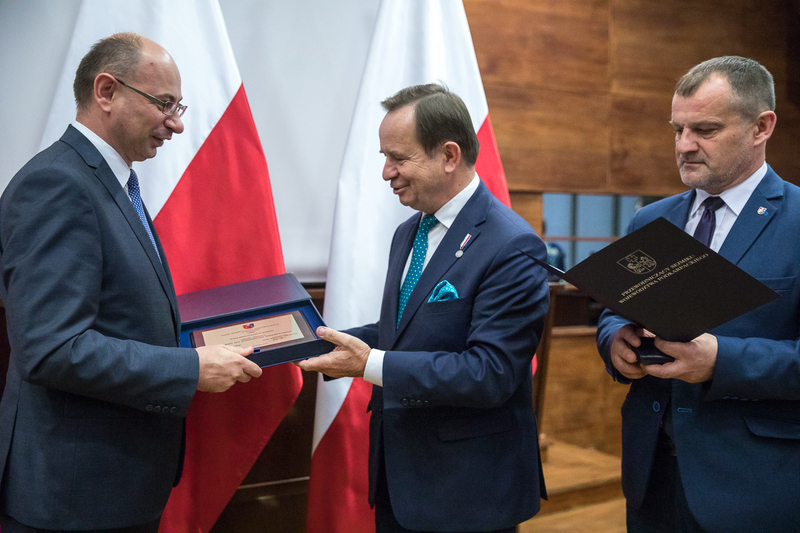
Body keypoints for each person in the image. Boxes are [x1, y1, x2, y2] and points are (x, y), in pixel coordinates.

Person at [0, 33, 262, 532]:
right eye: (164, 104)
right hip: (73, 497)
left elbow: (120, 314)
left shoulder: (111, 181)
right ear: (106, 91)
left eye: (178, 106)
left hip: (112, 485)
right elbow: (51, 348)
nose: (177, 123)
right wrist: (188, 369)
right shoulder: (57, 184)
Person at [298, 84, 549, 533]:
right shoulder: (409, 231)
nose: (386, 172)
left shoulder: (512, 245)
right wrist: (320, 339)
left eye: (399, 157)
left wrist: (369, 364)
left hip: (467, 490)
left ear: (449, 155)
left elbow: (489, 373)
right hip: (400, 476)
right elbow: (405, 330)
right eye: (384, 157)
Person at [596, 56, 800, 532]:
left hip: (754, 486)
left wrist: (720, 361)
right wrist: (615, 339)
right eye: (677, 129)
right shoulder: (651, 220)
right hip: (652, 476)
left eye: (705, 129)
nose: (684, 146)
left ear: (761, 127)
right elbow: (614, 310)